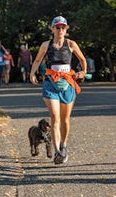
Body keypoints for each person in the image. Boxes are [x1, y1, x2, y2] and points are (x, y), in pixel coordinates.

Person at [30, 16, 87, 165]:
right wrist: (32, 73)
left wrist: (82, 72)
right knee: (55, 118)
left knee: (65, 119)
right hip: (50, 83)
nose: (60, 30)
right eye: (57, 27)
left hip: (67, 83)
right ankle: (57, 152)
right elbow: (37, 60)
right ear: (52, 29)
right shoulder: (45, 45)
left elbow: (82, 60)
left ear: (66, 29)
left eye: (63, 27)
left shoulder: (71, 44)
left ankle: (64, 145)